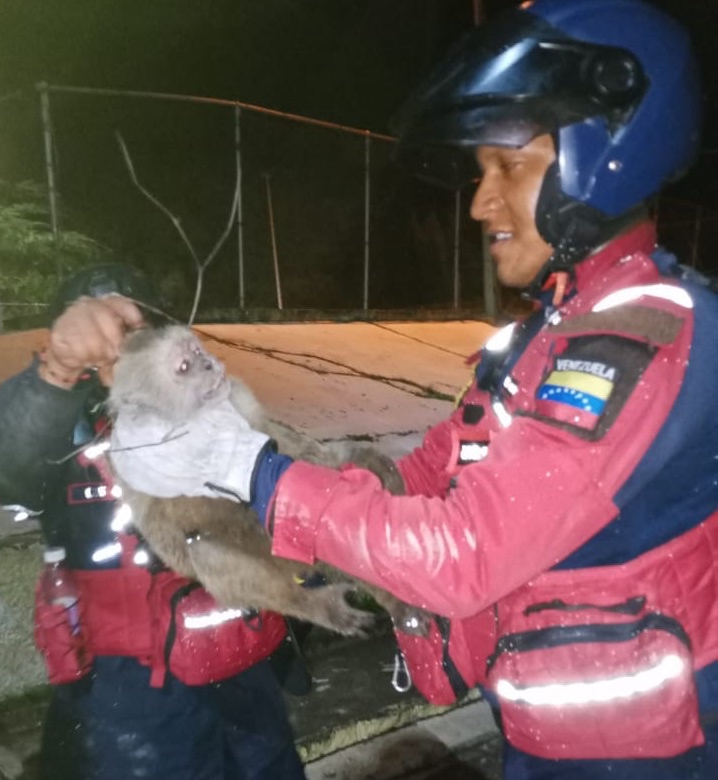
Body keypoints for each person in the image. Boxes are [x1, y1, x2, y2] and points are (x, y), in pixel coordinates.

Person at [77, 2, 716, 778]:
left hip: (648, 756)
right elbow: (416, 478)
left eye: (508, 166)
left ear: (610, 155)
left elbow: (464, 552)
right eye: (482, 171)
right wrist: (267, 468)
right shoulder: (544, 338)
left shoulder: (639, 340)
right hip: (556, 732)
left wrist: (253, 468)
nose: (480, 201)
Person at [0, 263, 306, 780]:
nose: (119, 346)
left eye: (135, 330)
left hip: (244, 665)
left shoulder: (206, 403)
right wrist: (59, 366)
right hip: (130, 691)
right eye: (100, 330)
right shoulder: (61, 427)